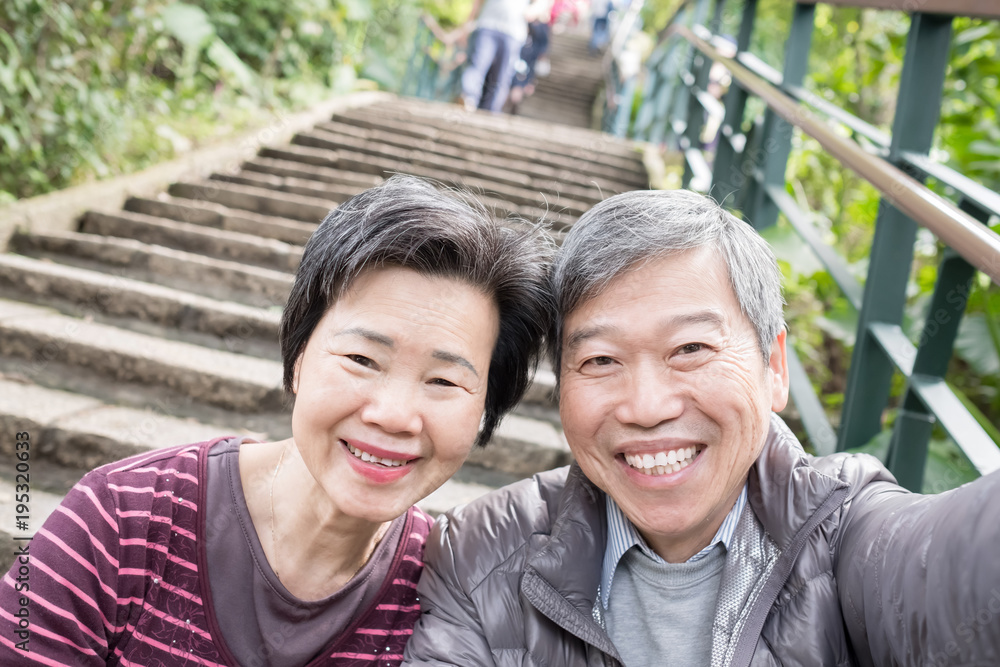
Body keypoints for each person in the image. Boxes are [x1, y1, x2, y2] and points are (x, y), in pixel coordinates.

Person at [403, 189, 1000, 666]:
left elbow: (957, 567)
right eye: (600, 361)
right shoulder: (477, 556)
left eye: (690, 348)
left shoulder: (845, 532)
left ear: (773, 366)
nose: (646, 406)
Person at [0, 175, 554, 666]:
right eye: (362, 360)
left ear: (485, 409)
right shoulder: (121, 518)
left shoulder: (448, 601)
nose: (392, 416)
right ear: (298, 359)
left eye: (444, 382)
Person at [455, 0, 549, 113]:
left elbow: (543, 3)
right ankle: (468, 99)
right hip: (487, 25)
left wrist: (533, 11)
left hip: (514, 33)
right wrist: (467, 26)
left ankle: (491, 110)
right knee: (477, 65)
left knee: (502, 76)